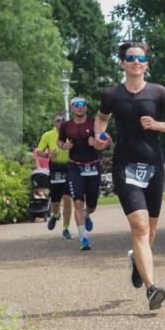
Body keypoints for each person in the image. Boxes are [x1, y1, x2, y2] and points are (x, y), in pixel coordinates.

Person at [92, 40, 165, 311]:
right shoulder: (112, 94)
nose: (136, 61)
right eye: (130, 57)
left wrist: (158, 124)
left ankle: (137, 261)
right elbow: (101, 118)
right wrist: (100, 136)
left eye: (141, 58)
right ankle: (151, 289)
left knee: (151, 230)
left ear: (146, 64)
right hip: (125, 166)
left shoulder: (158, 93)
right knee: (140, 227)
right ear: (122, 63)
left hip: (154, 165)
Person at [59, 97, 101, 251]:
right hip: (75, 167)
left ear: (86, 108)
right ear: (71, 107)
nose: (80, 107)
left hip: (92, 166)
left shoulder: (93, 123)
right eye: (76, 105)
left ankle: (87, 214)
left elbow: (105, 141)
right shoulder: (66, 126)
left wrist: (96, 143)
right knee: (78, 202)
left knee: (92, 206)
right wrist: (65, 146)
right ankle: (83, 238)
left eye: (83, 105)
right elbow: (60, 141)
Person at [37, 113, 75, 238]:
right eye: (58, 120)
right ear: (54, 123)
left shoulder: (72, 133)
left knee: (68, 199)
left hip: (70, 168)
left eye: (63, 120)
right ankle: (55, 215)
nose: (61, 122)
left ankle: (66, 228)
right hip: (55, 169)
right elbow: (39, 152)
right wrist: (48, 156)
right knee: (55, 202)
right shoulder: (47, 135)